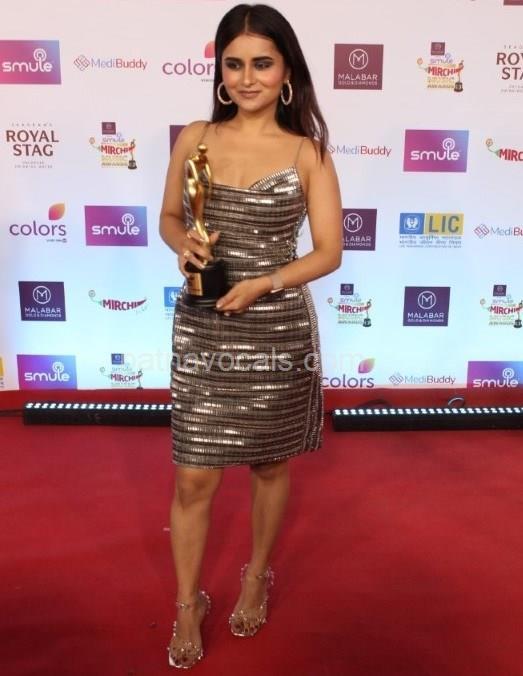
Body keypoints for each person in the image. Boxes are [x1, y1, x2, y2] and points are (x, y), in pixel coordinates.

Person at [159, 3, 342, 668]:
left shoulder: (306, 151)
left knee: (269, 463)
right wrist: (183, 246)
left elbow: (329, 252)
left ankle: (257, 573)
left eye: (261, 63)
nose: (246, 77)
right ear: (220, 71)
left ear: (286, 71)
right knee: (192, 478)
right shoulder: (197, 138)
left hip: (274, 330)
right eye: (233, 64)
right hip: (204, 324)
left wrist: (266, 282)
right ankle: (187, 603)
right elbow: (170, 217)